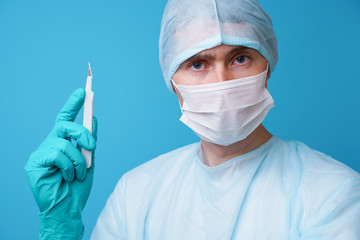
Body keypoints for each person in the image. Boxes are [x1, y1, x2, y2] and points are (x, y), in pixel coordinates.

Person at [25, 0, 360, 239]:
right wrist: (60, 230)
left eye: (240, 58)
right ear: (172, 80)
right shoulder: (136, 194)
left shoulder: (333, 193)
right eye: (198, 64)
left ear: (268, 66)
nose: (222, 82)